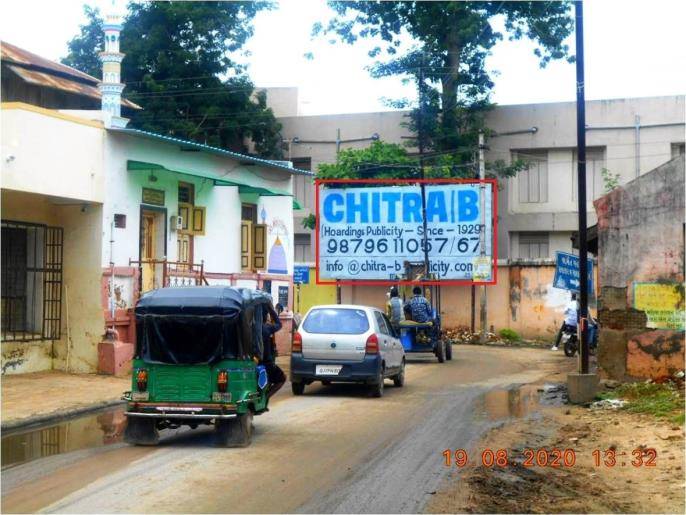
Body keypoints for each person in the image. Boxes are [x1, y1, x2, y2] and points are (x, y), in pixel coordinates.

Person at [261, 303, 286, 399]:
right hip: (266, 363)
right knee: (282, 379)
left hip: (253, 361)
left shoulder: (249, 328)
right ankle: (266, 397)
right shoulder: (267, 328)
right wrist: (271, 309)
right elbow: (279, 324)